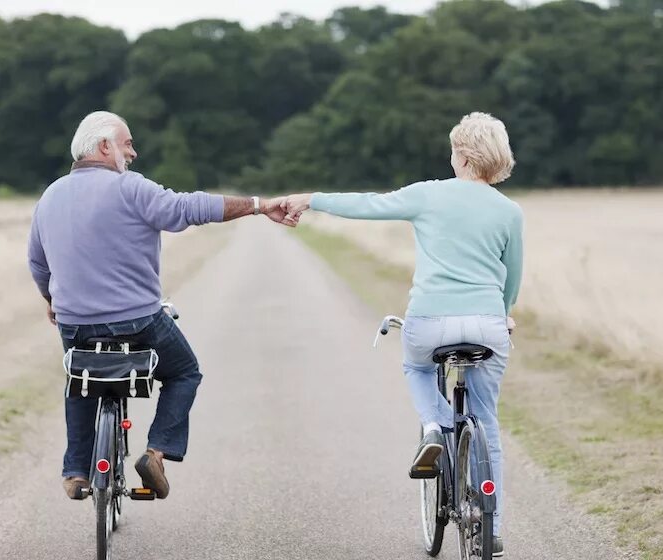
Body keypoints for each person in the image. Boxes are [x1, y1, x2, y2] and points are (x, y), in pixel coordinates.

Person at [281, 112, 523, 556]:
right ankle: (495, 526)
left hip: (429, 322)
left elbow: (368, 205)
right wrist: (503, 314)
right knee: (487, 419)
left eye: (453, 150)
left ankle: (434, 426)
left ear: (464, 156)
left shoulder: (428, 195)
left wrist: (309, 198)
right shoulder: (510, 211)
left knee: (415, 365)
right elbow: (512, 278)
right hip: (488, 326)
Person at [27, 111, 295, 500]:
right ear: (104, 147)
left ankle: (74, 471)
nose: (132, 153)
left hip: (75, 324)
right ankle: (156, 451)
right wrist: (256, 204)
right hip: (136, 321)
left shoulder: (50, 196)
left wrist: (51, 299)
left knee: (81, 380)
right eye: (127, 143)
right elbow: (190, 208)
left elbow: (37, 262)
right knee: (185, 372)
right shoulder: (130, 189)